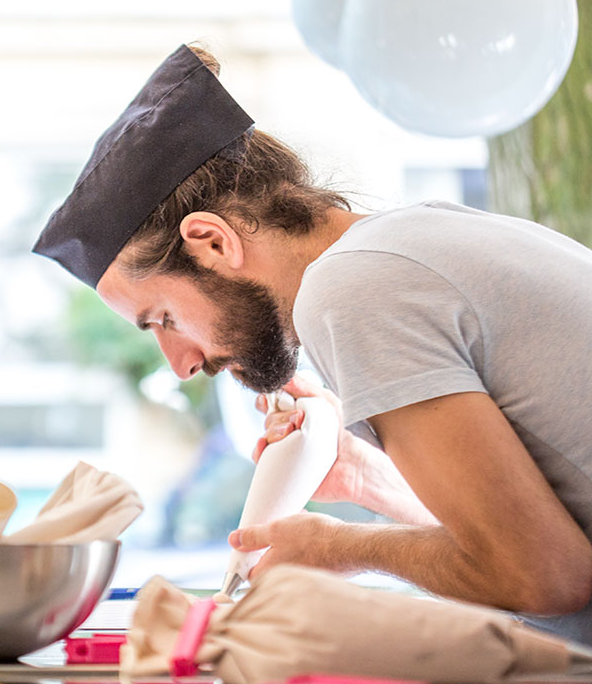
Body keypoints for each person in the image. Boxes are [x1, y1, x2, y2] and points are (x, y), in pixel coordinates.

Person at [32, 42, 592, 643]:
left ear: (213, 242)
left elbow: (546, 577)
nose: (182, 366)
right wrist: (372, 484)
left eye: (164, 318)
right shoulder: (411, 239)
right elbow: (538, 544)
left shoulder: (348, 288)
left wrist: (340, 547)